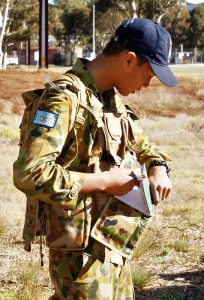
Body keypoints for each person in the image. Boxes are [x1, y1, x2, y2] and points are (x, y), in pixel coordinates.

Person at [13, 18, 177, 300]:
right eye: (148, 75)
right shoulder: (62, 100)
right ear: (129, 59)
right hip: (77, 253)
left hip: (111, 243)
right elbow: (30, 173)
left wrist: (158, 167)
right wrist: (104, 182)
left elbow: (143, 144)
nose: (147, 84)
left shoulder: (109, 100)